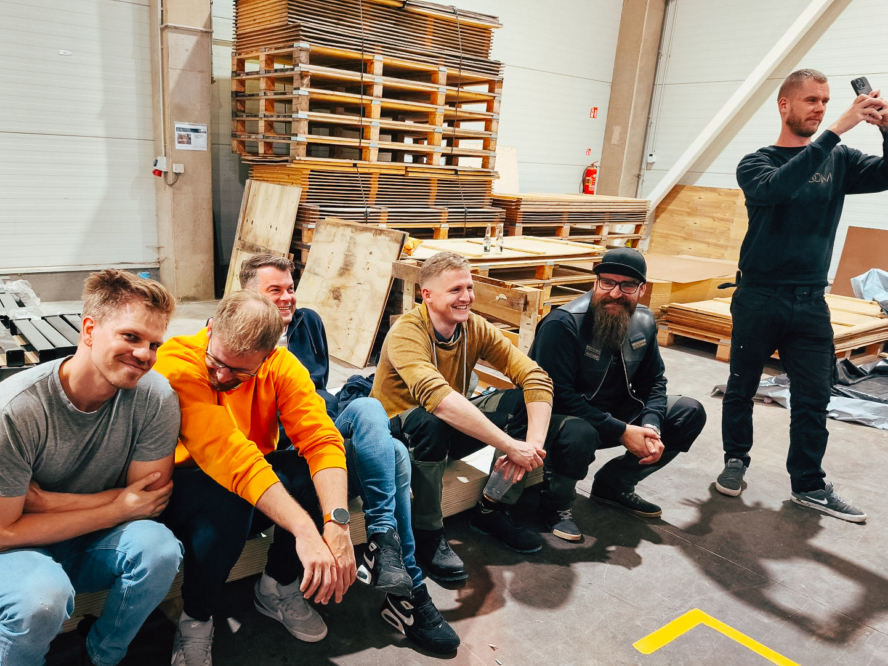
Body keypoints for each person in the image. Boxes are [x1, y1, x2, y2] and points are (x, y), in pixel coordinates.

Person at [0, 270, 184, 666]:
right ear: (90, 329)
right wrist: (117, 506)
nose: (144, 354)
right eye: (131, 337)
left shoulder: (154, 396)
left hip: (85, 534)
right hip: (7, 550)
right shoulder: (11, 411)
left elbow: (150, 501)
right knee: (41, 598)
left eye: (154, 344)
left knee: (160, 549)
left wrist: (50, 502)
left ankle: (102, 658)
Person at [240, 254, 459, 654]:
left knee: (368, 412)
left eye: (291, 288)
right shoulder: (233, 344)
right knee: (391, 450)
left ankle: (383, 546)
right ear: (247, 296)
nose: (288, 298)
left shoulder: (307, 324)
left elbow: (318, 396)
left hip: (316, 439)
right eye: (275, 291)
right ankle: (406, 587)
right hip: (277, 460)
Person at [154, 291, 356, 666]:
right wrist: (304, 529)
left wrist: (337, 522)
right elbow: (228, 454)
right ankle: (196, 619)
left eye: (240, 373)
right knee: (227, 493)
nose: (223, 378)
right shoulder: (177, 361)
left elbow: (322, 439)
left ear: (267, 357)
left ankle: (277, 587)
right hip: (185, 495)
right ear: (210, 329)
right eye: (218, 363)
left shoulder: (283, 367)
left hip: (250, 488)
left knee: (305, 472)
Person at [716, 68, 888, 522]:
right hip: (758, 294)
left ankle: (809, 484)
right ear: (784, 105)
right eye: (811, 100)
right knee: (742, 384)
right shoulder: (755, 163)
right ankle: (736, 459)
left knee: (815, 395)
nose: (820, 109)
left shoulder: (841, 160)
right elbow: (778, 188)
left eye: (825, 101)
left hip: (810, 299)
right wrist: (835, 131)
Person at [372, 251, 555, 581]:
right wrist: (508, 445)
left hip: (443, 428)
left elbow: (534, 375)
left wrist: (530, 447)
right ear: (427, 295)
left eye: (469, 288)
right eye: (455, 290)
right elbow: (438, 399)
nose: (467, 297)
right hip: (396, 436)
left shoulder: (474, 328)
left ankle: (493, 506)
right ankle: (427, 533)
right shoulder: (407, 331)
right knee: (429, 422)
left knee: (518, 402)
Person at [530, 248, 707, 540]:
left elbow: (655, 381)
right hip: (562, 419)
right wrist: (622, 431)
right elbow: (556, 396)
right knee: (579, 431)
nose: (614, 293)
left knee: (688, 412)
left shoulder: (644, 321)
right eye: (607, 283)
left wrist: (650, 424)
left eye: (626, 286)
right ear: (595, 283)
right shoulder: (563, 324)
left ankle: (614, 485)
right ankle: (555, 505)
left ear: (642, 289)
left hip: (616, 415)